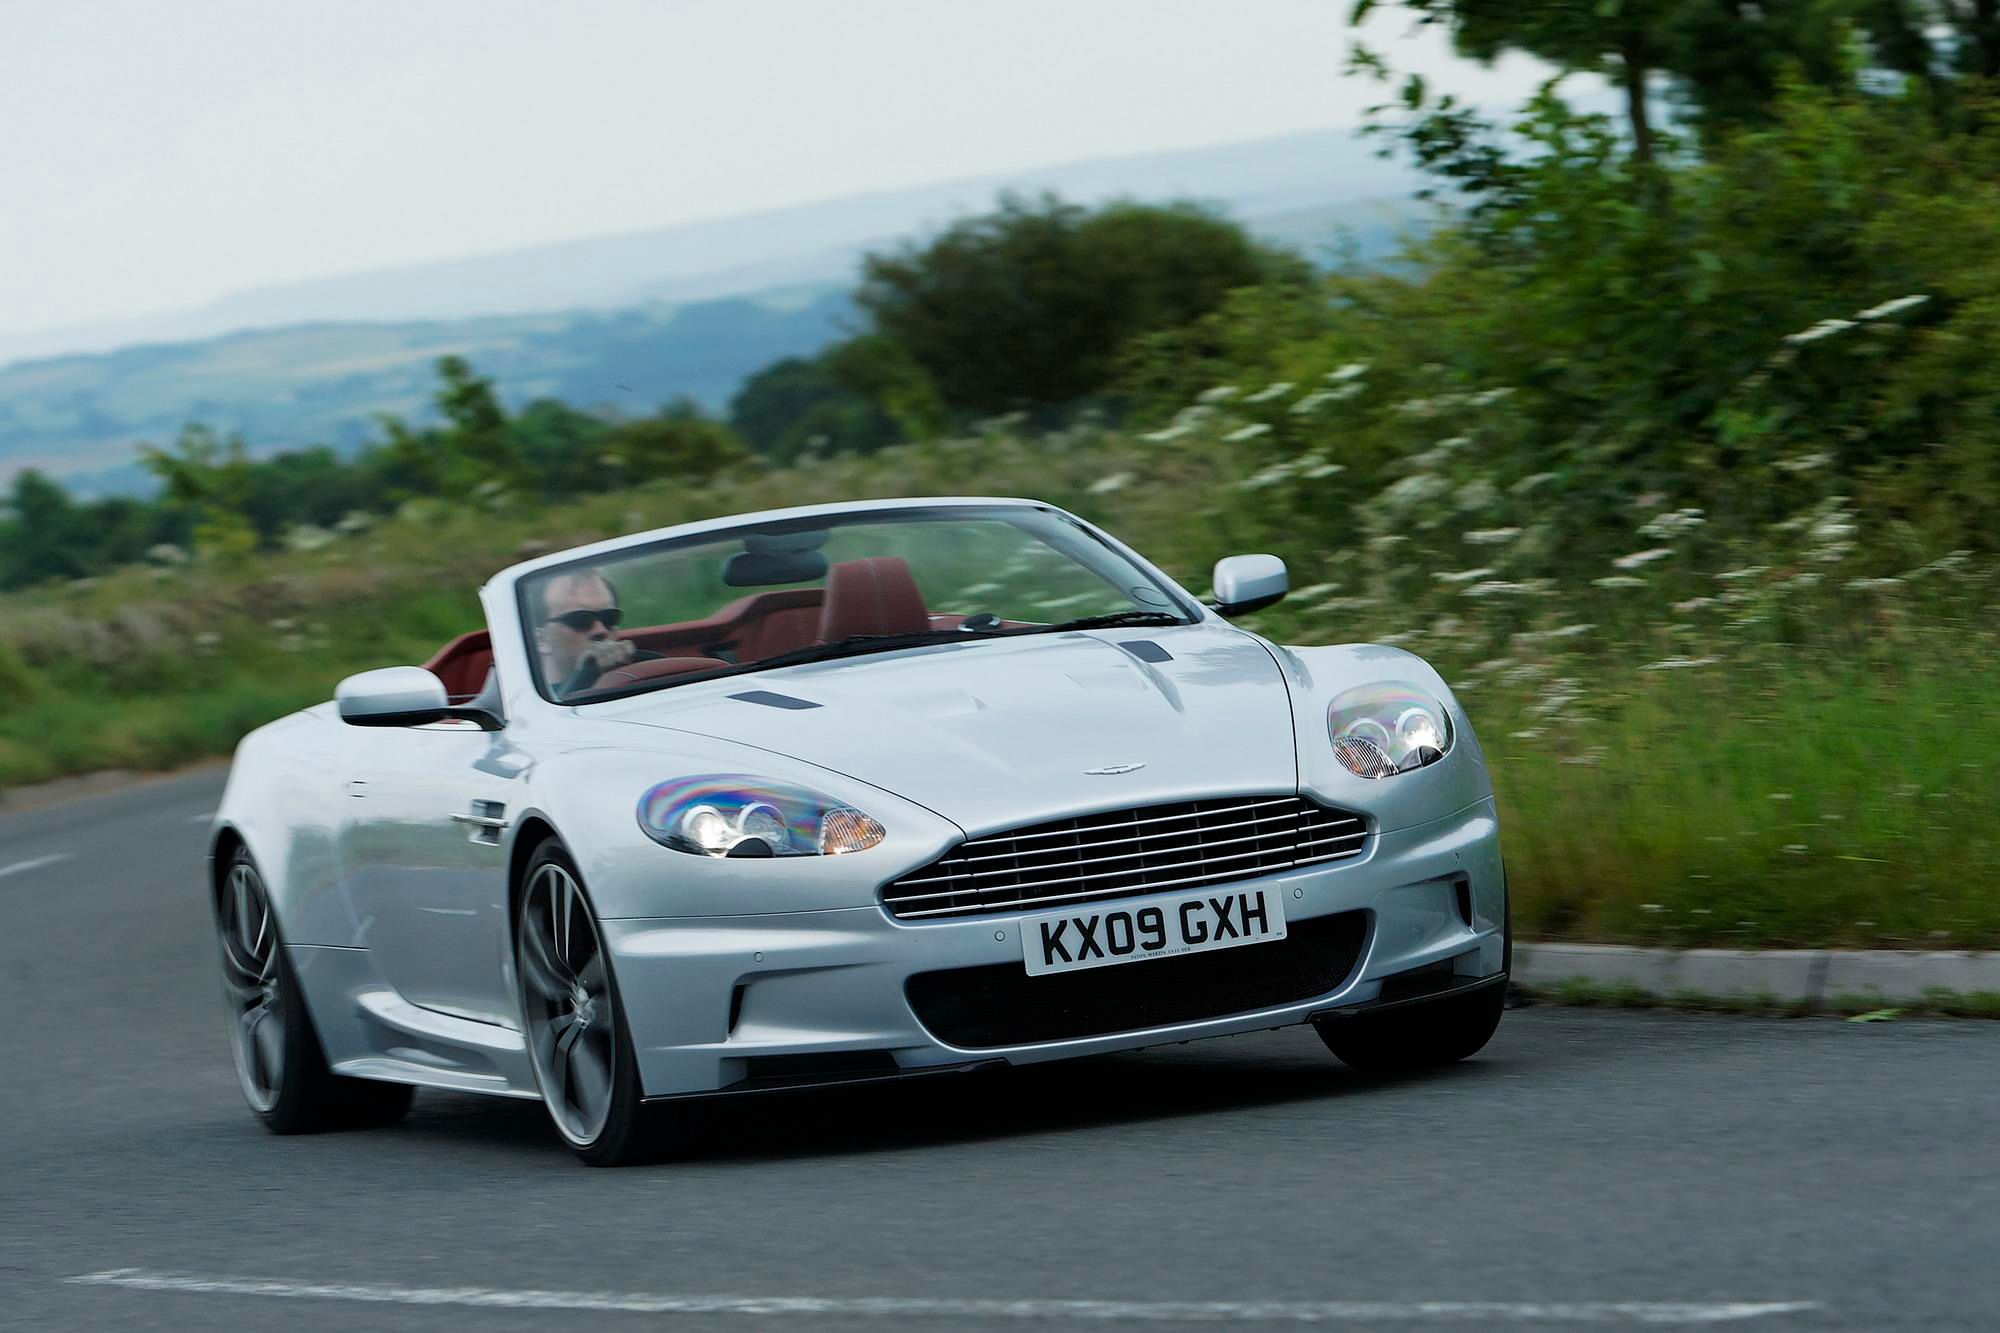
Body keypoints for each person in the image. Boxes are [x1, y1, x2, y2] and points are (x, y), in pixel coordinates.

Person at [535, 568, 661, 697]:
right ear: (541, 639)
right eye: (580, 620)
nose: (600, 630)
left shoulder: (652, 669)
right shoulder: (535, 700)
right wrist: (585, 675)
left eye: (609, 617)